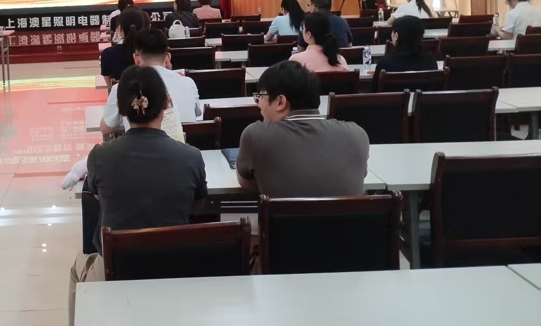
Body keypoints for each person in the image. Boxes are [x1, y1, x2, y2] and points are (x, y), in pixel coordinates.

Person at [68, 65, 208, 325]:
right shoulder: (191, 156)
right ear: (166, 103)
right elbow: (197, 207)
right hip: (175, 268)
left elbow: (100, 200)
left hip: (118, 269)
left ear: (120, 109)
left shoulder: (100, 156)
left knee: (79, 266)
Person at [236, 60, 369, 197]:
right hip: (349, 213)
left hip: (285, 212)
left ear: (280, 102)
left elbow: (245, 181)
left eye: (260, 97)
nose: (259, 105)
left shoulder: (256, 135)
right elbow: (359, 176)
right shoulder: (358, 135)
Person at [101, 28, 201, 135]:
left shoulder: (122, 87)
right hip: (186, 144)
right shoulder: (188, 83)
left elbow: (106, 128)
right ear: (168, 58)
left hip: (138, 145)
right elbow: (197, 114)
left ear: (136, 59)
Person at [372, 16, 438, 91]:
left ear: (396, 36)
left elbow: (374, 91)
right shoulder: (430, 61)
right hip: (423, 99)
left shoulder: (384, 63)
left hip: (393, 99)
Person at [99, 7, 149, 88]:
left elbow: (110, 87)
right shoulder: (152, 51)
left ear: (120, 29)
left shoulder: (107, 54)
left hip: (120, 95)